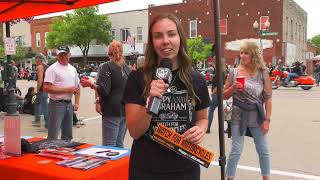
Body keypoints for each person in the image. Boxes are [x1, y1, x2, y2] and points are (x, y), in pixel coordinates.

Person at [122, 13, 210, 180]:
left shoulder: (196, 79)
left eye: (171, 34)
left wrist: (200, 129)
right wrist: (150, 101)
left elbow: (203, 118)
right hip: (146, 170)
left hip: (186, 168)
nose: (165, 41)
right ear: (152, 42)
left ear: (180, 38)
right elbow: (134, 132)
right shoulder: (137, 78)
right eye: (158, 36)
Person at [223, 40, 272, 180]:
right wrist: (232, 88)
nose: (242, 55)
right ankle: (229, 178)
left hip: (257, 116)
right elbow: (223, 95)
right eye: (241, 52)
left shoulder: (263, 73)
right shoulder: (234, 72)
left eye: (246, 53)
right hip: (238, 114)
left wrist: (267, 120)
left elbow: (268, 98)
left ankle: (266, 178)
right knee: (236, 150)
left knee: (263, 149)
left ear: (254, 55)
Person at [81, 40, 130, 147]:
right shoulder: (127, 68)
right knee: (119, 144)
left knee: (109, 146)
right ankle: (121, 163)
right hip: (125, 110)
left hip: (112, 110)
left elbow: (104, 90)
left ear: (109, 53)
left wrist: (91, 84)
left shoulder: (106, 66)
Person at [43, 45, 80, 141]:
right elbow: (46, 88)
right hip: (56, 104)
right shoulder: (52, 69)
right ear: (57, 56)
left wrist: (76, 102)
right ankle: (50, 152)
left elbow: (77, 86)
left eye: (65, 54)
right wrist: (66, 90)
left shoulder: (72, 69)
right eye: (61, 55)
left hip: (68, 104)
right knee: (53, 135)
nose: (63, 57)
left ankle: (65, 153)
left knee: (68, 135)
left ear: (69, 55)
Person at [207, 58, 227, 133]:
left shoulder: (220, 73)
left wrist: (213, 92)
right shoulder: (222, 72)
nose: (213, 65)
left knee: (211, 110)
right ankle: (228, 128)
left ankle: (208, 127)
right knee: (223, 111)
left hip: (216, 94)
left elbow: (219, 84)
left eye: (214, 63)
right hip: (219, 94)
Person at [32, 54, 49, 128]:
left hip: (42, 89)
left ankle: (48, 123)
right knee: (37, 103)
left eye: (36, 60)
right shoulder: (47, 67)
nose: (35, 61)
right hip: (47, 89)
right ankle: (37, 120)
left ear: (39, 60)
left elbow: (40, 80)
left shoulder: (40, 67)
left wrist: (37, 90)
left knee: (44, 107)